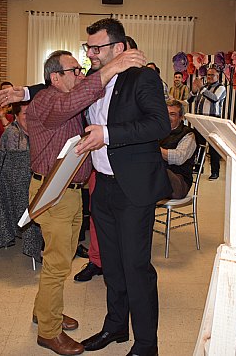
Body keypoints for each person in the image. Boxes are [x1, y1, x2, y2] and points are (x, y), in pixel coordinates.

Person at [27, 49, 144, 356]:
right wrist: (114, 64)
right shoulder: (49, 100)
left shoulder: (57, 95)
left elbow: (86, 95)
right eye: (74, 71)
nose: (81, 76)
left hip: (69, 191)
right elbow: (75, 99)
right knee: (57, 264)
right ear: (55, 77)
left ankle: (44, 312)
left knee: (57, 257)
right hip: (55, 193)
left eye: (81, 71)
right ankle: (48, 333)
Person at [76, 18, 171, 356]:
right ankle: (116, 327)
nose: (90, 53)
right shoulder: (92, 80)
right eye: (88, 47)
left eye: (96, 48)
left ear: (118, 48)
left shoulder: (142, 77)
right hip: (102, 186)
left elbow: (159, 124)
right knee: (112, 266)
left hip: (133, 188)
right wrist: (26, 92)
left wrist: (109, 134)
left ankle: (147, 345)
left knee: (135, 268)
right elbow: (58, 89)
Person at [188, 67, 226, 180]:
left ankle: (215, 172)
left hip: (212, 119)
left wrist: (201, 88)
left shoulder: (221, 87)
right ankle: (199, 167)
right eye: (208, 75)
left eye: (212, 75)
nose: (209, 77)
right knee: (199, 144)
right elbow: (189, 100)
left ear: (217, 76)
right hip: (200, 119)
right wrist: (194, 91)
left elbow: (214, 98)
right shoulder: (203, 87)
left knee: (213, 147)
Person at [160, 100, 197, 199]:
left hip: (179, 183)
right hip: (158, 180)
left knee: (157, 169)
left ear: (181, 117)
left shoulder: (189, 135)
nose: (167, 118)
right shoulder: (157, 131)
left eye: (172, 114)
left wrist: (153, 149)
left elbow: (178, 158)